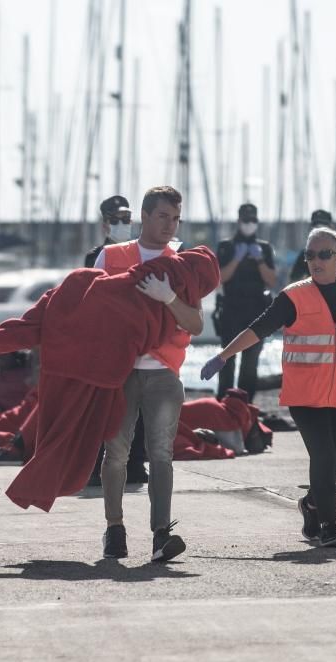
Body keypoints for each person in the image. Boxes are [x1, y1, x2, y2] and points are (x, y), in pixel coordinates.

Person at [200, 226, 336, 547]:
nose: (315, 261)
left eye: (323, 255)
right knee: (323, 455)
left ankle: (312, 503)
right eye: (309, 255)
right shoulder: (294, 295)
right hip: (306, 394)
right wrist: (224, 356)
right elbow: (259, 328)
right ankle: (330, 528)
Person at [93, 185, 203, 562]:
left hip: (162, 373)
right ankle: (114, 529)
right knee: (116, 455)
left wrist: (168, 298)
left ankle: (161, 535)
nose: (170, 225)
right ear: (144, 215)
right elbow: (88, 312)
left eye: (176, 218)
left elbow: (196, 323)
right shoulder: (110, 256)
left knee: (161, 455)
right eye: (163, 217)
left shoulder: (184, 262)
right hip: (119, 374)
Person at [85, 195, 148, 487]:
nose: (123, 225)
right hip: (105, 339)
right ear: (105, 224)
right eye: (116, 220)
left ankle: (135, 463)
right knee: (104, 405)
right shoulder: (95, 256)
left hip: (137, 337)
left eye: (127, 219)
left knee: (138, 405)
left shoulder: (141, 252)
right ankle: (97, 465)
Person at [214, 203, 277, 400]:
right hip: (231, 311)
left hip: (256, 312)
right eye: (246, 220)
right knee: (227, 359)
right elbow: (219, 279)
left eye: (253, 220)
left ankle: (245, 406)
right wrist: (236, 259)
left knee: (250, 364)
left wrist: (259, 260)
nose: (249, 224)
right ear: (239, 221)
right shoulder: (226, 246)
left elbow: (272, 280)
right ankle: (223, 403)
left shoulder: (264, 248)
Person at [288, 209, 335, 283]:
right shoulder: (304, 255)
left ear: (331, 228)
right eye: (316, 228)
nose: (319, 231)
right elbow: (293, 282)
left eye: (323, 227)